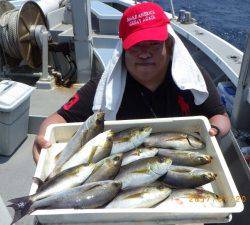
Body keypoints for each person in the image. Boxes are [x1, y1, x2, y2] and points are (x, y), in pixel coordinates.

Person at [33, 2, 231, 163]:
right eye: (135, 46)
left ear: (169, 45)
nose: (144, 53)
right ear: (123, 49)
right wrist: (43, 138)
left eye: (153, 44)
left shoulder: (191, 79)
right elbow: (58, 119)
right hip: (123, 165)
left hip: (180, 160)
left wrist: (214, 131)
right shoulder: (104, 88)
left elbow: (219, 115)